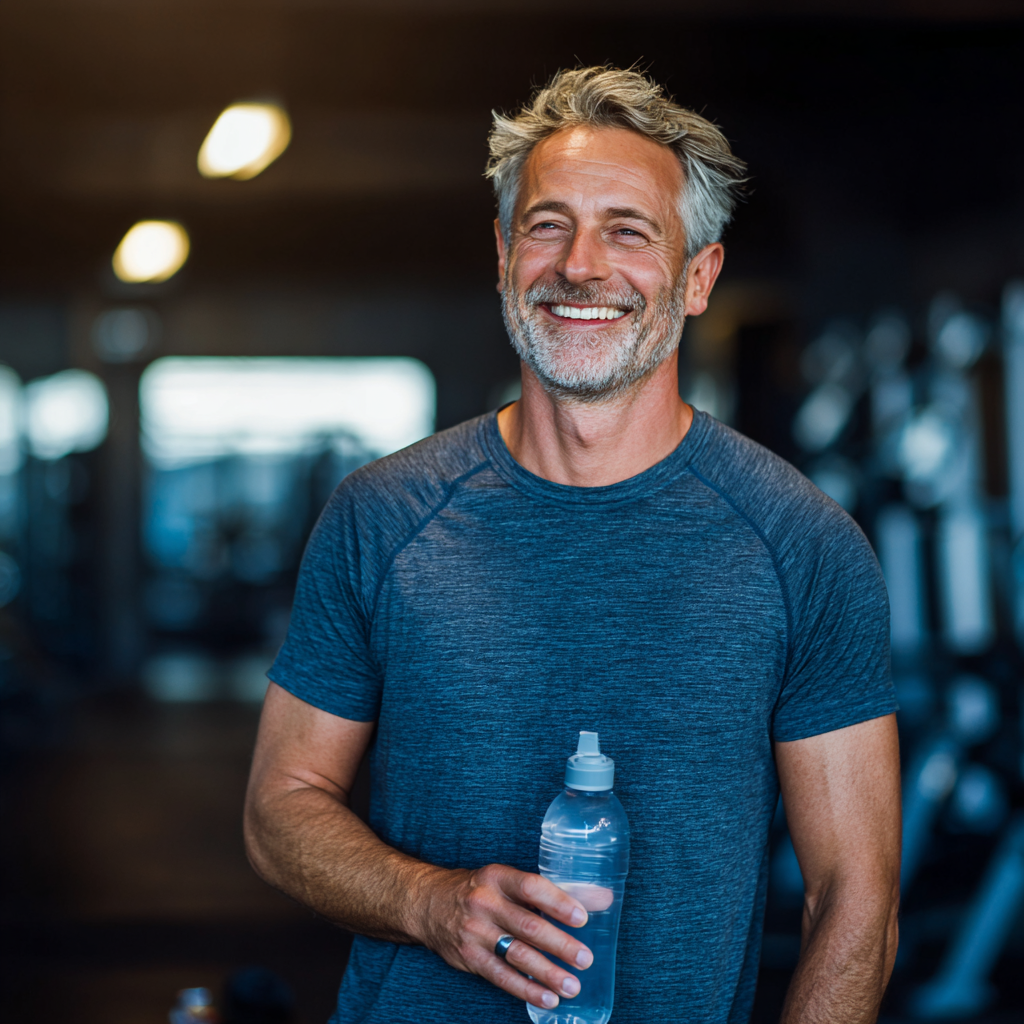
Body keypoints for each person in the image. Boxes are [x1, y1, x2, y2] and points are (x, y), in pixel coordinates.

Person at [244, 67, 901, 1024]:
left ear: (698, 277)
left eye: (629, 231)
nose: (581, 266)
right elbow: (278, 810)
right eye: (549, 225)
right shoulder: (382, 517)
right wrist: (428, 904)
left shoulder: (803, 546)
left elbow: (856, 902)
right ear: (506, 253)